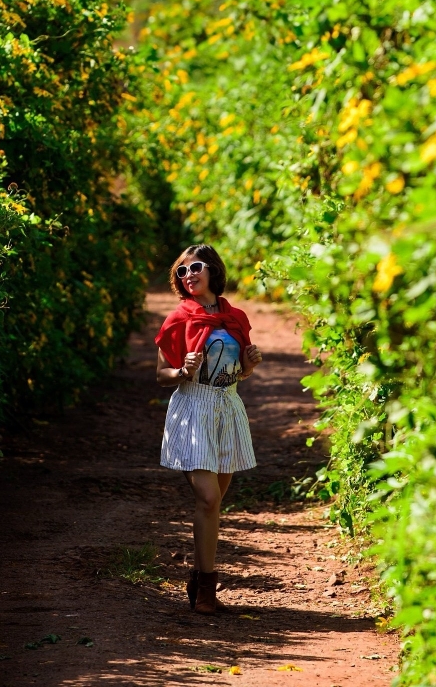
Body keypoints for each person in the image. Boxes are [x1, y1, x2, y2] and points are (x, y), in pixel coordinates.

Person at [154, 244, 263, 615]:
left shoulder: (236, 318)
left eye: (195, 267)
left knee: (213, 505)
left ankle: (199, 578)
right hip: (193, 409)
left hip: (228, 409)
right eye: (181, 271)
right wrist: (182, 370)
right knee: (208, 498)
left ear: (213, 269)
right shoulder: (178, 319)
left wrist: (249, 364)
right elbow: (161, 374)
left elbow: (238, 372)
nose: (189, 275)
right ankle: (206, 591)